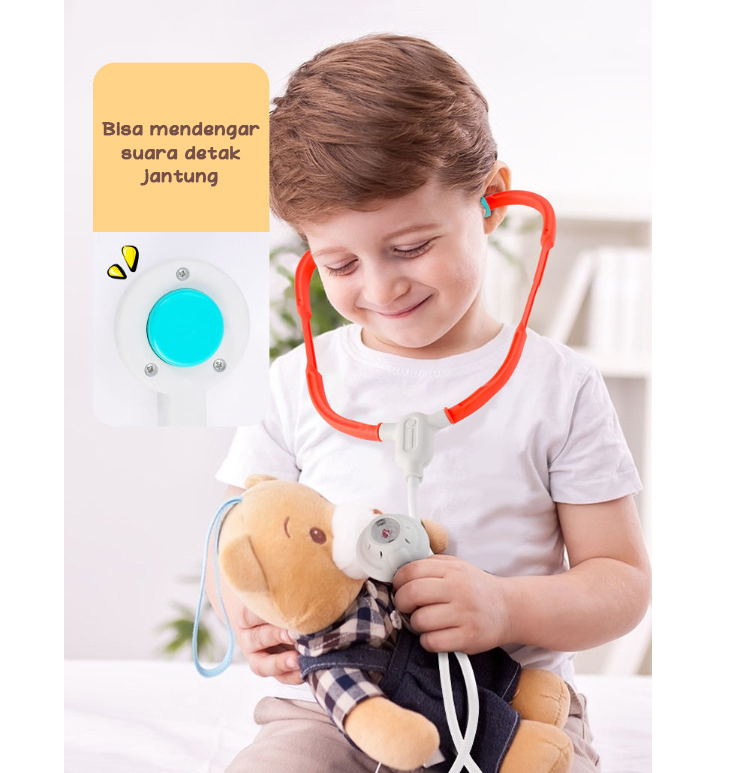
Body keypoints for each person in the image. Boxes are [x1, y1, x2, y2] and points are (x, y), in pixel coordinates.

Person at [207, 33, 651, 773]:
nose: (381, 287)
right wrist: (250, 618)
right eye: (340, 263)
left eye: (411, 247)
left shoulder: (559, 386)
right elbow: (240, 541)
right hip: (336, 707)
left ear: (490, 201)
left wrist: (505, 608)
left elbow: (622, 583)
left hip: (508, 706)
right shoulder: (293, 383)